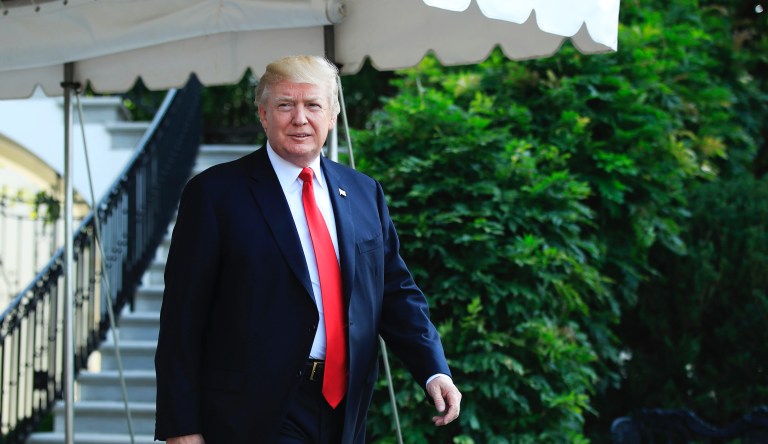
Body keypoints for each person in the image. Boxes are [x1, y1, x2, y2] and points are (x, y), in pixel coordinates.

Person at [154, 55, 461, 444]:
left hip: (343, 407)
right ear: (264, 115)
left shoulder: (365, 193)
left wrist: (435, 370)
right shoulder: (214, 195)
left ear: (332, 115)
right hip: (252, 411)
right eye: (285, 105)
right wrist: (181, 426)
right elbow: (182, 319)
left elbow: (395, 293)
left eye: (313, 105)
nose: (300, 118)